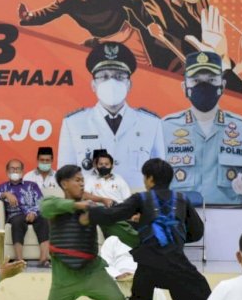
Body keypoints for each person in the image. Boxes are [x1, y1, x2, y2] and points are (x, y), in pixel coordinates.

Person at [15, 165, 139, 300]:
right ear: (64, 184)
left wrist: (142, 235)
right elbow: (46, 206)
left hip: (93, 271)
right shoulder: (54, 204)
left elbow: (120, 229)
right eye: (76, 180)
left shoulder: (93, 210)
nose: (81, 183)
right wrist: (80, 205)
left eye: (83, 180)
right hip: (64, 276)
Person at [87, 158, 211, 300]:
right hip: (176, 263)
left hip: (147, 263)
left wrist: (88, 211)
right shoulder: (182, 199)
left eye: (145, 177)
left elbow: (112, 215)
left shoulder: (141, 199)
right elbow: (197, 232)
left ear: (150, 179)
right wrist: (177, 239)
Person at [57, 42, 165, 190]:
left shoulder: (151, 123)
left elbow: (160, 178)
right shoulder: (74, 123)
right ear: (93, 85)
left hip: (138, 207)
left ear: (129, 84)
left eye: (119, 76)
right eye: (104, 76)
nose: (112, 82)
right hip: (93, 208)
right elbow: (65, 178)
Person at [18, 0, 166, 66]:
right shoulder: (66, 1)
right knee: (75, 58)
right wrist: (29, 16)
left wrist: (150, 23)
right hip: (100, 42)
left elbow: (135, 2)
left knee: (144, 71)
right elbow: (46, 13)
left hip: (125, 37)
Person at [162, 51, 242, 204]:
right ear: (184, 86)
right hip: (180, 222)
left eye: (212, 80)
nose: (204, 86)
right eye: (196, 80)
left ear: (223, 86)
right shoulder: (165, 128)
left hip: (229, 222)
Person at [97, 235, 171, 300]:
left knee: (158, 291)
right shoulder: (112, 240)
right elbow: (104, 263)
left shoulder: (146, 237)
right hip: (119, 280)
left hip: (141, 279)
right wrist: (118, 275)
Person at [0, 159, 50, 266]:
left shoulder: (32, 185)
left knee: (44, 219)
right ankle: (19, 260)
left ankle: (44, 259)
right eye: (12, 169)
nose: (15, 171)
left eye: (18, 169)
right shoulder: (3, 187)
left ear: (22, 171)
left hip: (33, 213)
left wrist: (33, 213)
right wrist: (5, 194)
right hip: (15, 215)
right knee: (17, 222)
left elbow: (41, 202)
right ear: (7, 171)